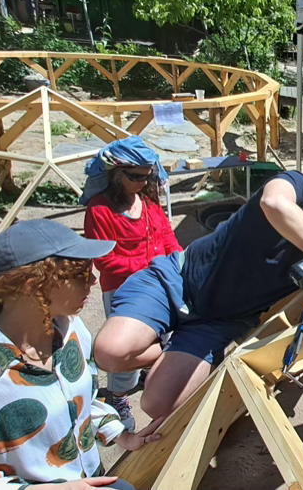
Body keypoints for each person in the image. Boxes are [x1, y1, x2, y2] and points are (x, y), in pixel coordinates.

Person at [94, 172, 303, 419]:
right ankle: (163, 344)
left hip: (219, 324)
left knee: (156, 406)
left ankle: (173, 350)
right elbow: (273, 201)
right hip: (178, 279)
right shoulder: (299, 187)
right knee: (110, 353)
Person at [0, 220, 161, 490]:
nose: (93, 280)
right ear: (33, 285)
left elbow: (80, 402)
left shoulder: (72, 332)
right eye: (79, 274)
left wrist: (122, 436)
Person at [82, 136, 182, 431]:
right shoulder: (99, 210)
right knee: (124, 350)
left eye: (146, 176)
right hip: (124, 290)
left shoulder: (149, 204)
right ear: (115, 173)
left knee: (163, 335)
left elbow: (167, 238)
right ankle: (118, 395)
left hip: (159, 281)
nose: (142, 182)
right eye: (135, 177)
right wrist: (155, 266)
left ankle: (152, 375)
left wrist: (179, 261)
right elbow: (105, 260)